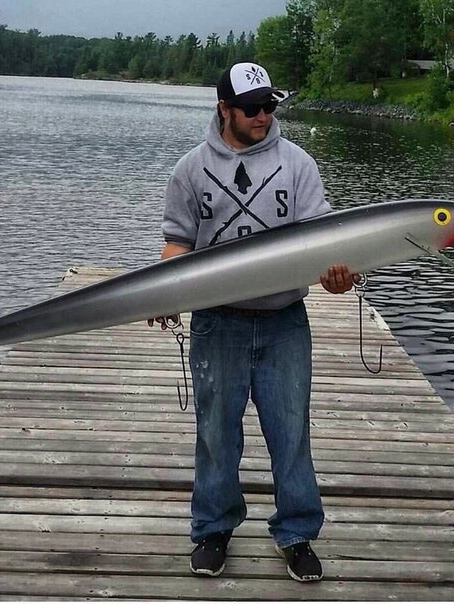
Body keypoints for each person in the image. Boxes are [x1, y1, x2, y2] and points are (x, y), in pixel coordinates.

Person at [149, 62, 358, 582]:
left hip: (284, 320)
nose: (264, 115)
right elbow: (178, 240)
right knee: (216, 432)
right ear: (224, 109)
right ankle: (213, 528)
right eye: (252, 108)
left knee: (291, 431)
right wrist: (166, 287)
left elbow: (324, 241)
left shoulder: (299, 165)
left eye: (270, 106)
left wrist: (338, 277)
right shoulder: (190, 169)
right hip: (217, 324)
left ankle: (298, 534)